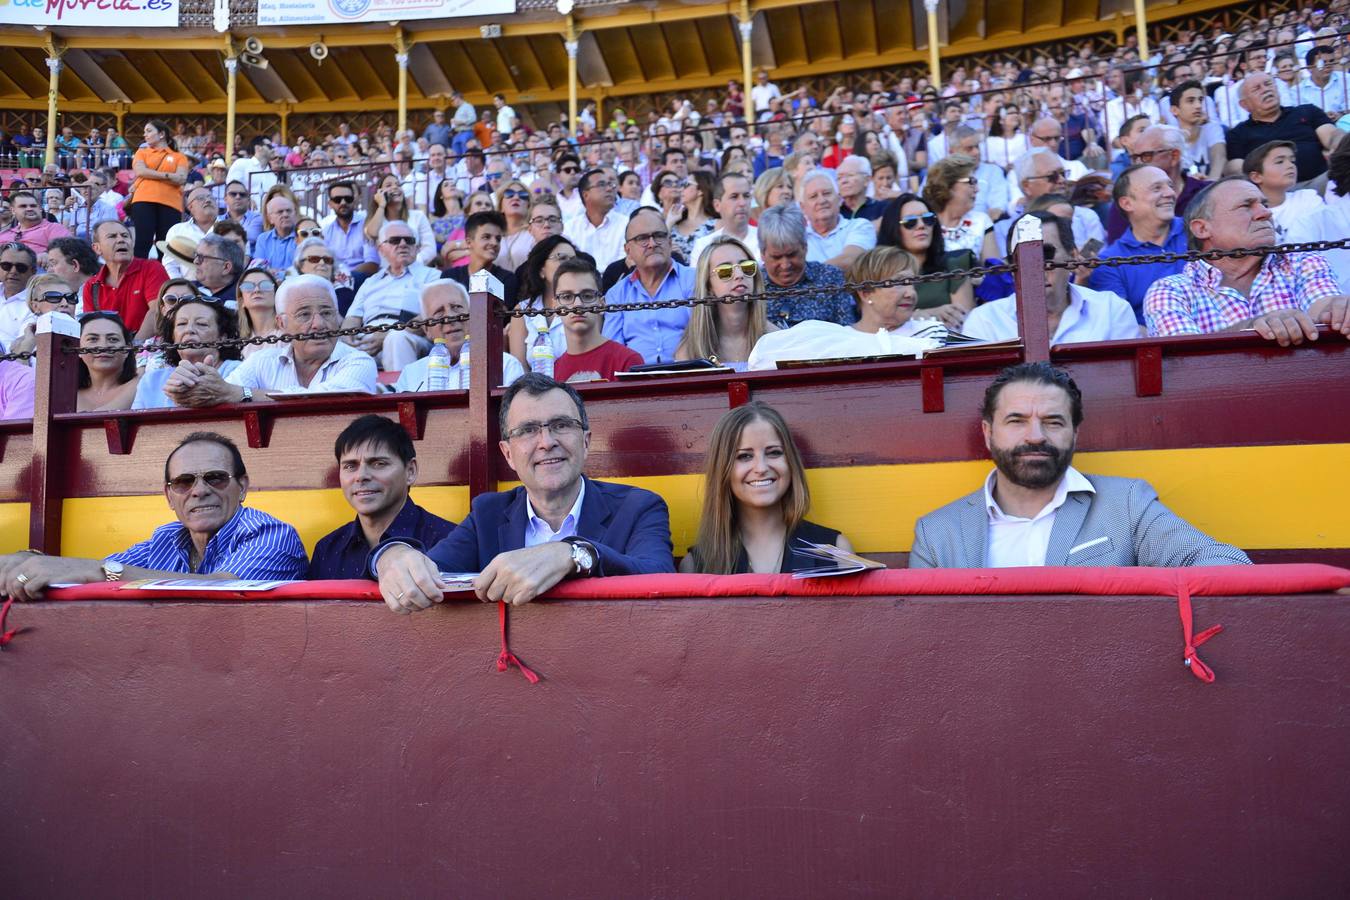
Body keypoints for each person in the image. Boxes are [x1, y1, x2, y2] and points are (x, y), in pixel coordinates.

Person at [371, 371, 675, 612]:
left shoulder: (640, 506)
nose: (546, 442)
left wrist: (572, 553)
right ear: (507, 454)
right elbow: (433, 570)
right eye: (528, 430)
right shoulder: (488, 514)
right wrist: (389, 555)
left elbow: (661, 578)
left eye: (561, 425)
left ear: (585, 441)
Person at [908, 362, 1253, 569]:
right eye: (1016, 420)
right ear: (987, 432)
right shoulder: (937, 533)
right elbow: (924, 642)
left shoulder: (1127, 504)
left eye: (1053, 421)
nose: (1035, 436)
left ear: (1075, 433)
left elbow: (1226, 564)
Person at [0, 432, 308, 600]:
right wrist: (28, 562)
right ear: (169, 496)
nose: (199, 491)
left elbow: (223, 589)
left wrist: (98, 571)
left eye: (215, 477)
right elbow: (95, 568)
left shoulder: (271, 533)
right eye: (184, 482)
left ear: (242, 487)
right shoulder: (166, 539)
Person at [1144, 177, 1350, 345]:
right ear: (1202, 229)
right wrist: (1254, 327)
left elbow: (1324, 308)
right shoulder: (1170, 291)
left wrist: (1338, 309)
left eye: (1264, 204)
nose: (1266, 213)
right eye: (1246, 206)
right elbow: (1185, 360)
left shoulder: (1302, 263)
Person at [681, 401, 853, 574]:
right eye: (745, 456)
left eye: (774, 453)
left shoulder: (836, 552)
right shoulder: (695, 565)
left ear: (790, 462)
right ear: (722, 469)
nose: (761, 468)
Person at [163, 274, 377, 404]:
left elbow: (327, 400)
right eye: (304, 314)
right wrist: (189, 385)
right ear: (282, 324)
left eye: (327, 313)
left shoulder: (359, 361)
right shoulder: (262, 361)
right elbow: (220, 391)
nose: (319, 323)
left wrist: (241, 394)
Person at [308, 415, 455, 580]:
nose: (361, 476)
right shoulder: (327, 549)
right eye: (350, 466)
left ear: (410, 471)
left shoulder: (449, 541)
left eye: (379, 464)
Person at [963, 211, 1139, 344]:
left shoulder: (1111, 310)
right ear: (1011, 266)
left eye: (1045, 254)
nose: (1034, 268)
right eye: (1019, 258)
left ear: (1072, 257)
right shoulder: (985, 321)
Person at [748, 246, 929, 370]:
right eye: (899, 283)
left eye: (912, 284)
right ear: (866, 293)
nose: (910, 293)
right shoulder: (834, 339)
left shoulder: (929, 333)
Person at [1088, 165, 1189, 322]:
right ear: (1127, 204)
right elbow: (1121, 326)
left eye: (1170, 185)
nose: (1170, 193)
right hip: (1156, 344)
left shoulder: (1199, 230)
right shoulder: (1110, 262)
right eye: (1156, 188)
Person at [601, 207, 696, 364]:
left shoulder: (693, 279)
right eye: (642, 238)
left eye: (658, 236)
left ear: (670, 242)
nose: (652, 244)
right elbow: (613, 350)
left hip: (689, 374)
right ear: (628, 250)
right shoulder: (617, 294)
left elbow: (702, 335)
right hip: (635, 382)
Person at [392, 280, 525, 392]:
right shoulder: (411, 374)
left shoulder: (505, 365)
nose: (450, 317)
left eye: (457, 307)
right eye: (439, 312)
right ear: (427, 329)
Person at [343, 221, 441, 370]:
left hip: (409, 337)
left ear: (416, 248)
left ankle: (399, 390)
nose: (402, 244)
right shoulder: (370, 282)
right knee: (337, 348)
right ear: (381, 249)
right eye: (395, 240)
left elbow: (434, 314)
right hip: (366, 341)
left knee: (396, 339)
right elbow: (352, 319)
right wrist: (348, 339)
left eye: (409, 240)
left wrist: (387, 335)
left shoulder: (432, 276)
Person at [1224, 72, 1343, 188]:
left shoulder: (1306, 111)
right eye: (1256, 89)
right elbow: (1236, 166)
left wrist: (1338, 146)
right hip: (1272, 194)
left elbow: (1332, 135)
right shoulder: (1238, 134)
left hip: (1321, 181)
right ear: (1245, 105)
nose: (1265, 90)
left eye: (1268, 84)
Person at [675, 236, 777, 370]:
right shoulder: (690, 349)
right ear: (708, 285)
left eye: (746, 267)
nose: (739, 275)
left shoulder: (774, 338)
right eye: (725, 271)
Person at [877, 194, 975, 328]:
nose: (921, 225)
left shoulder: (953, 265)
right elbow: (879, 321)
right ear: (893, 228)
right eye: (910, 222)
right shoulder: (880, 273)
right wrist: (925, 314)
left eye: (928, 219)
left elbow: (963, 321)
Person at [133, 293, 243, 409]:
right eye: (182, 324)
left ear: (222, 337)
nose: (189, 330)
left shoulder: (240, 371)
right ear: (173, 336)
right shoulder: (151, 380)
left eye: (201, 324)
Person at [757, 203, 855, 328]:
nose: (785, 265)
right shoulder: (753, 285)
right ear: (762, 254)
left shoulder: (830, 278)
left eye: (792, 255)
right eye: (776, 257)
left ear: (805, 247)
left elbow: (846, 331)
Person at [1105, 126, 1209, 242]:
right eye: (1135, 157)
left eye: (1146, 156)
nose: (1139, 163)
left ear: (1174, 156)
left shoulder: (1207, 193)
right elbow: (1118, 252)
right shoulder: (1128, 202)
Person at [553, 258, 643, 383]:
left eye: (587, 296)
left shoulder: (628, 361)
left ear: (602, 304)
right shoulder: (553, 370)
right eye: (567, 297)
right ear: (555, 307)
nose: (577, 304)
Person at [83, 220, 168, 339]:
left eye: (125, 236)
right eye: (112, 236)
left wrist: (134, 349)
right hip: (111, 351)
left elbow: (157, 311)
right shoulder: (91, 285)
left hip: (146, 351)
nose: (120, 240)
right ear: (97, 248)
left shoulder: (152, 268)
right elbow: (92, 327)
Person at [507, 234, 579, 366]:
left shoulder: (585, 306)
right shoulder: (522, 311)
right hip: (533, 386)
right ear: (541, 270)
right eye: (561, 258)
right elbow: (519, 367)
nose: (570, 266)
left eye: (574, 260)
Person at [1244, 140, 1328, 245]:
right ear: (1256, 177)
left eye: (1292, 161)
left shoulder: (1308, 198)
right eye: (1279, 162)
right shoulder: (1249, 214)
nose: (1290, 166)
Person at [128, 120, 188, 259]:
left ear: (161, 134)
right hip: (143, 199)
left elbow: (181, 178)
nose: (145, 135)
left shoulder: (179, 157)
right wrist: (168, 175)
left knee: (166, 246)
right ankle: (137, 278)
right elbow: (141, 171)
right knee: (142, 242)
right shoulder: (141, 152)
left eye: (149, 131)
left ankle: (165, 278)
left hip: (170, 203)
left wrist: (152, 174)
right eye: (145, 132)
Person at [796, 168, 876, 270]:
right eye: (813, 196)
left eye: (826, 193)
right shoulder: (797, 238)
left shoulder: (859, 226)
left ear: (839, 199)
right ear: (803, 207)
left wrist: (808, 276)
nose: (821, 200)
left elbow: (850, 260)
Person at [924, 156, 997, 261]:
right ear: (948, 185)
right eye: (971, 181)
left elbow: (994, 270)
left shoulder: (981, 221)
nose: (977, 189)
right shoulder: (924, 223)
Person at [443, 210, 519, 311]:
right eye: (486, 237)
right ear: (469, 242)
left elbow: (499, 318)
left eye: (498, 239)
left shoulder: (507, 279)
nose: (494, 243)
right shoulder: (450, 277)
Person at [362, 173, 436, 266]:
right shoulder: (377, 220)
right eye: (388, 185)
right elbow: (372, 233)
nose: (395, 187)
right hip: (388, 274)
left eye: (398, 185)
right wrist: (381, 205)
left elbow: (430, 249)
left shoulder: (418, 216)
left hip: (417, 270)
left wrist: (409, 263)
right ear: (379, 193)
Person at [563, 168, 627, 271]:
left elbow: (624, 265)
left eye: (610, 185)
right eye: (602, 185)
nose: (609, 189)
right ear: (586, 195)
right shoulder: (570, 228)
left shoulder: (626, 224)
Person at [76, 311, 141, 411]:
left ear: (127, 349)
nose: (103, 346)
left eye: (113, 339)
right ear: (78, 348)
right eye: (93, 339)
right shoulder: (66, 394)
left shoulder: (144, 385)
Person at [690, 172, 759, 264]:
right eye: (734, 197)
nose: (742, 203)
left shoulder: (766, 239)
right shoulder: (703, 246)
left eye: (746, 196)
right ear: (717, 205)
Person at [7, 272, 79, 356]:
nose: (65, 303)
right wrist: (28, 345)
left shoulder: (89, 336)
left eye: (70, 298)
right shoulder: (19, 345)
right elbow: (17, 369)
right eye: (53, 297)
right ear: (35, 306)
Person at [160, 187, 221, 280]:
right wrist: (182, 287)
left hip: (224, 288)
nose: (208, 200)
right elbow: (170, 265)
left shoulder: (232, 228)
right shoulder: (177, 230)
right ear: (190, 207)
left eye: (211, 197)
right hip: (188, 287)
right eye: (201, 198)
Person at [1170, 80, 1227, 178]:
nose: (1198, 106)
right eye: (1190, 101)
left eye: (1200, 100)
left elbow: (1219, 157)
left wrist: (1210, 184)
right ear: (1175, 110)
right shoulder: (1170, 139)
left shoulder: (1212, 128)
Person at [322, 180, 377, 277]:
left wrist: (347, 277)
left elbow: (372, 264)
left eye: (348, 199)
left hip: (362, 280)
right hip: (334, 280)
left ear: (354, 201)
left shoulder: (367, 225)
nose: (343, 203)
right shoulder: (326, 231)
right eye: (337, 199)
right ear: (330, 204)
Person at [0, 191, 71, 260]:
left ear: (40, 209)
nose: (29, 209)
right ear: (13, 211)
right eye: (23, 206)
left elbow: (67, 251)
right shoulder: (6, 234)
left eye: (33, 206)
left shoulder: (53, 228)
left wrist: (47, 254)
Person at [669, 170, 719, 264]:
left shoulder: (716, 225)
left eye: (686, 184)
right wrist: (669, 222)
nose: (681, 189)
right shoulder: (674, 222)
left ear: (701, 190)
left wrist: (685, 259)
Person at [235, 265, 280, 358]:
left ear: (276, 295)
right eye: (248, 286)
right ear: (241, 301)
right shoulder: (236, 339)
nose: (256, 290)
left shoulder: (288, 333)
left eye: (265, 285)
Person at [254, 188, 300, 276]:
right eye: (280, 212)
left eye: (288, 211)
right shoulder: (263, 239)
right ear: (270, 218)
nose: (285, 215)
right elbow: (259, 268)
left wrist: (280, 273)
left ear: (295, 213)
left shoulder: (303, 235)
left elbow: (303, 268)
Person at [0, 242, 37, 349]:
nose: (13, 271)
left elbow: (19, 348)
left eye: (21, 267)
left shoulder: (35, 304)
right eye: (6, 266)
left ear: (33, 271)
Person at [190, 233, 244, 306]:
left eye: (202, 257)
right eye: (196, 255)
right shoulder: (187, 289)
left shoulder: (245, 295)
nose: (195, 261)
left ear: (226, 267)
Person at [225, 136, 278, 208]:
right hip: (242, 214)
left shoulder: (273, 176)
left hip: (266, 216)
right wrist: (247, 199)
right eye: (269, 146)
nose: (273, 149)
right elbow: (231, 187)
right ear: (258, 148)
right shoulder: (241, 163)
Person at [494, 177, 534, 272]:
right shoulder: (493, 236)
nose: (516, 198)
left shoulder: (534, 233)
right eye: (509, 194)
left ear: (528, 206)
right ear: (501, 206)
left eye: (523, 195)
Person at [219, 180, 264, 254]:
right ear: (225, 199)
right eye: (233, 194)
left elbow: (251, 237)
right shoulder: (218, 219)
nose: (238, 197)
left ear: (248, 200)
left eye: (242, 194)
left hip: (249, 263)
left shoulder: (257, 218)